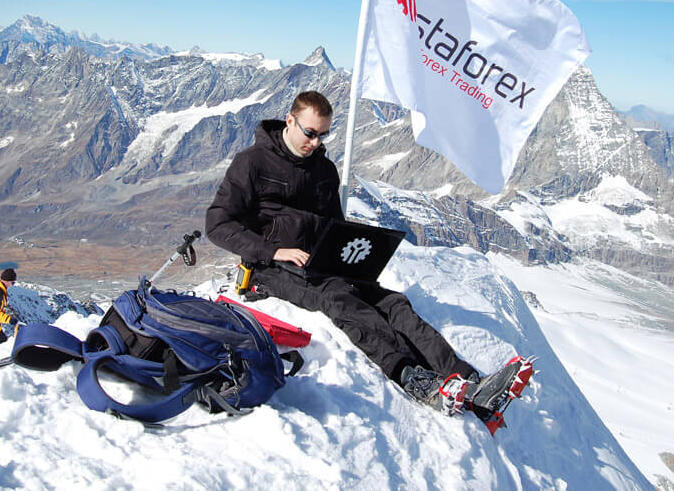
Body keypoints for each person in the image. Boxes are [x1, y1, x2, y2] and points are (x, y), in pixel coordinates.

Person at [206, 91, 492, 417]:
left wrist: (351, 256)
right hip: (270, 268)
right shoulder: (252, 163)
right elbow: (217, 224)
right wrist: (274, 251)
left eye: (323, 134)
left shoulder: (324, 170)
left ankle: (464, 377)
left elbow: (335, 225)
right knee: (340, 299)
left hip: (320, 262)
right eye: (310, 133)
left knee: (391, 302)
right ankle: (411, 376)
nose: (316, 142)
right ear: (290, 120)